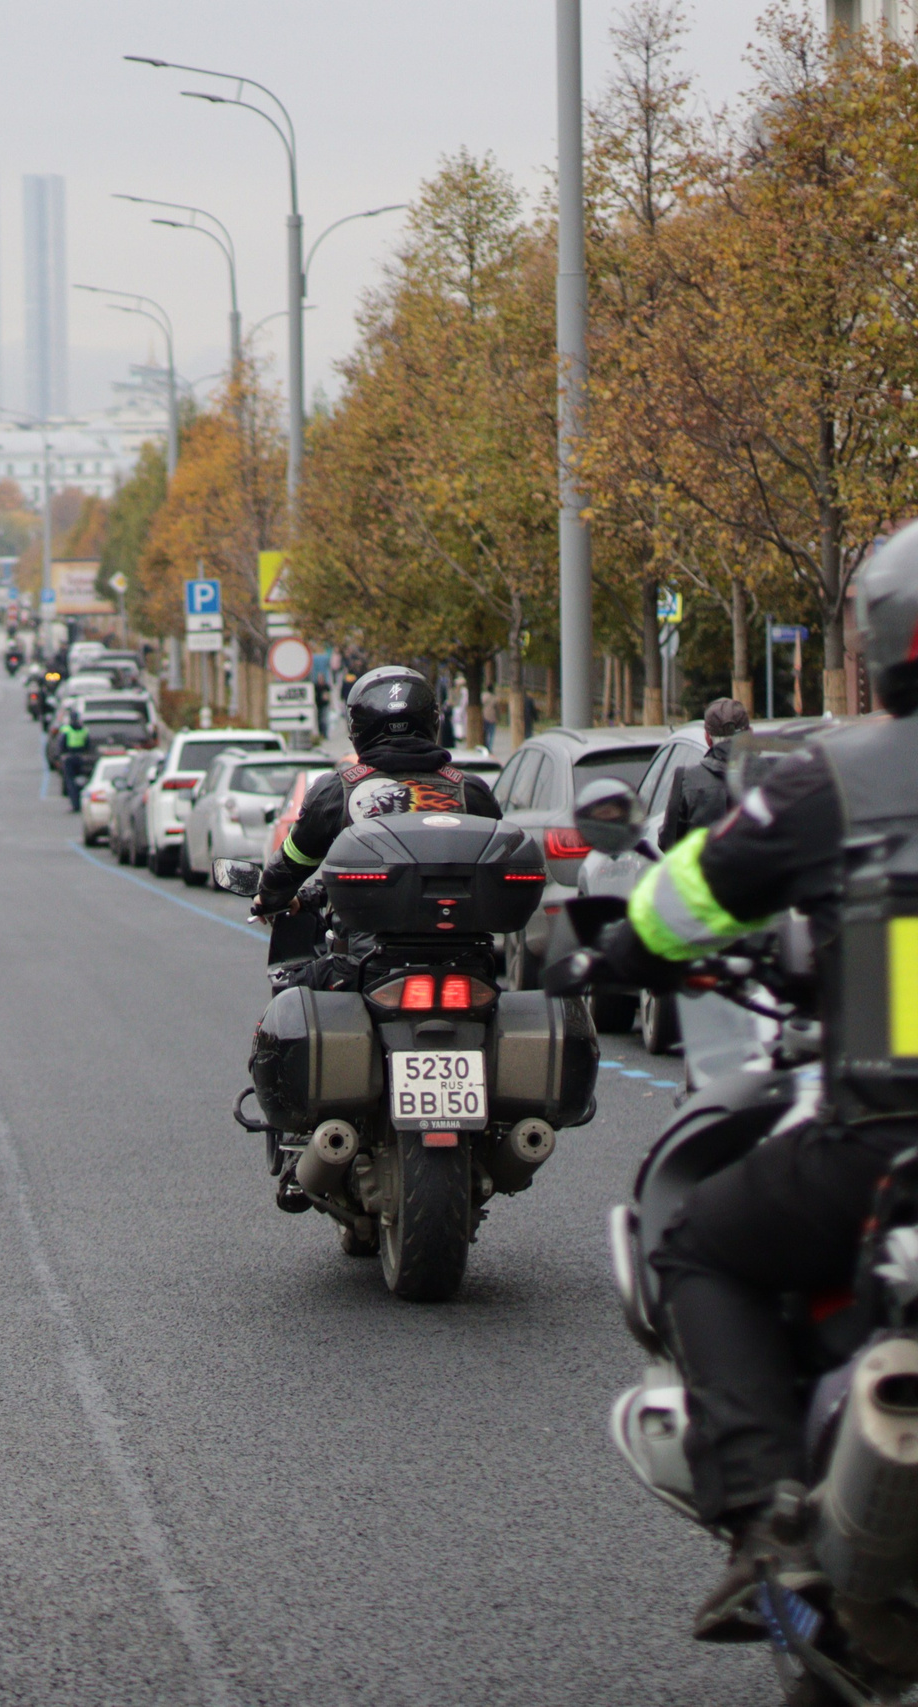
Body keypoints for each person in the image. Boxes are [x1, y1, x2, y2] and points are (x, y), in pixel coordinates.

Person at [555, 525, 918, 1644]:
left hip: (882, 1148)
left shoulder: (830, 780)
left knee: (701, 1243)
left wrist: (616, 959)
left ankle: (764, 1514)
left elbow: (672, 909)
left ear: (875, 641)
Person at [250, 664, 502, 921]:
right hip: (461, 944)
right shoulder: (469, 790)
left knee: (301, 962)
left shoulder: (338, 791)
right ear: (433, 720)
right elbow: (497, 864)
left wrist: (270, 897)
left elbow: (293, 861)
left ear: (357, 728)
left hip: (364, 949)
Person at [658, 697, 752, 849]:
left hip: (704, 871)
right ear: (750, 733)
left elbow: (668, 843)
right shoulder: (775, 775)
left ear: (708, 738)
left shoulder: (686, 780)